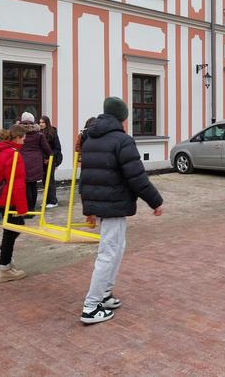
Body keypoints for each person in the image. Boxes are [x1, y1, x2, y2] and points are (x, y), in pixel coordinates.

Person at [79, 97, 164, 324]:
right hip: (114, 204)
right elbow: (136, 177)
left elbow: (85, 179)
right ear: (123, 117)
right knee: (108, 253)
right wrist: (155, 201)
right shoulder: (122, 141)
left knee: (117, 248)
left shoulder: (90, 139)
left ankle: (104, 294)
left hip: (105, 203)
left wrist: (89, 209)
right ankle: (91, 306)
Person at [0, 125, 30, 283]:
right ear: (17, 137)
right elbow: (17, 184)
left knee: (13, 229)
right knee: (13, 229)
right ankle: (4, 266)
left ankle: (1, 258)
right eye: (24, 138)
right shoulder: (13, 154)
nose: (25, 141)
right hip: (8, 198)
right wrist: (22, 208)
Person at [19, 112, 52, 214]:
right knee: (33, 184)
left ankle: (28, 208)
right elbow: (47, 149)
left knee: (26, 185)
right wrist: (47, 157)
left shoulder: (18, 133)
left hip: (22, 161)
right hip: (36, 161)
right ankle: (32, 207)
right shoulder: (38, 134)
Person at [39, 115, 62, 208]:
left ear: (47, 123)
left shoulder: (52, 133)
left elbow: (57, 148)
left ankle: (53, 201)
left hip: (51, 160)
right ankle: (46, 200)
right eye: (40, 122)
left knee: (50, 180)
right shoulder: (39, 133)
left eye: (43, 122)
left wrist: (50, 158)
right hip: (42, 161)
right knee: (45, 181)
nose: (41, 124)